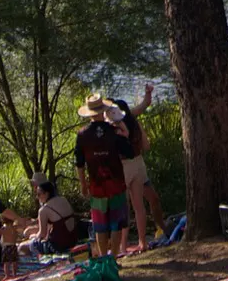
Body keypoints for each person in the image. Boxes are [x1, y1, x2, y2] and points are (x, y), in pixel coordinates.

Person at [73, 94, 134, 259]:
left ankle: (102, 258)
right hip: (116, 183)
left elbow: (79, 162)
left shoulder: (82, 135)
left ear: (89, 113)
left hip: (96, 185)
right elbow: (130, 152)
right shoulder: (113, 132)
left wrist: (83, 184)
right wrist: (123, 130)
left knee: (100, 225)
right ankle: (113, 258)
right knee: (116, 225)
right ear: (103, 111)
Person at [113, 86, 159, 253]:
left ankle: (123, 246)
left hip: (123, 167)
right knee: (139, 206)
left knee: (124, 208)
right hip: (138, 164)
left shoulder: (116, 126)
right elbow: (144, 105)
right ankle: (142, 242)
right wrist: (148, 94)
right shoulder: (133, 120)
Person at [22, 175, 80, 255]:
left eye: (39, 194)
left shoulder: (43, 210)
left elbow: (42, 234)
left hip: (58, 246)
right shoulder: (63, 199)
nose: (37, 197)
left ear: (46, 194)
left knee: (22, 247)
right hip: (73, 240)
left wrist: (33, 236)